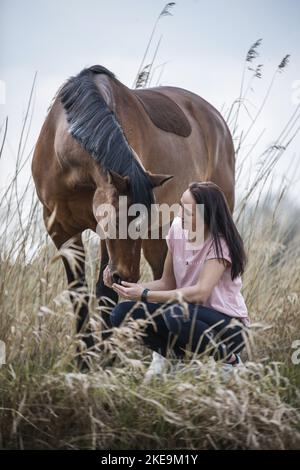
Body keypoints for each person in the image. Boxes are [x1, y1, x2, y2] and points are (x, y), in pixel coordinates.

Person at [104, 181, 250, 377]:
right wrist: (123, 287)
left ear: (205, 215)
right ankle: (175, 360)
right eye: (180, 205)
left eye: (187, 211)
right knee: (121, 313)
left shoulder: (220, 242)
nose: (179, 214)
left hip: (229, 328)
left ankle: (229, 361)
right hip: (185, 316)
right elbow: (167, 283)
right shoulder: (176, 229)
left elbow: (200, 293)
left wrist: (146, 295)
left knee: (175, 313)